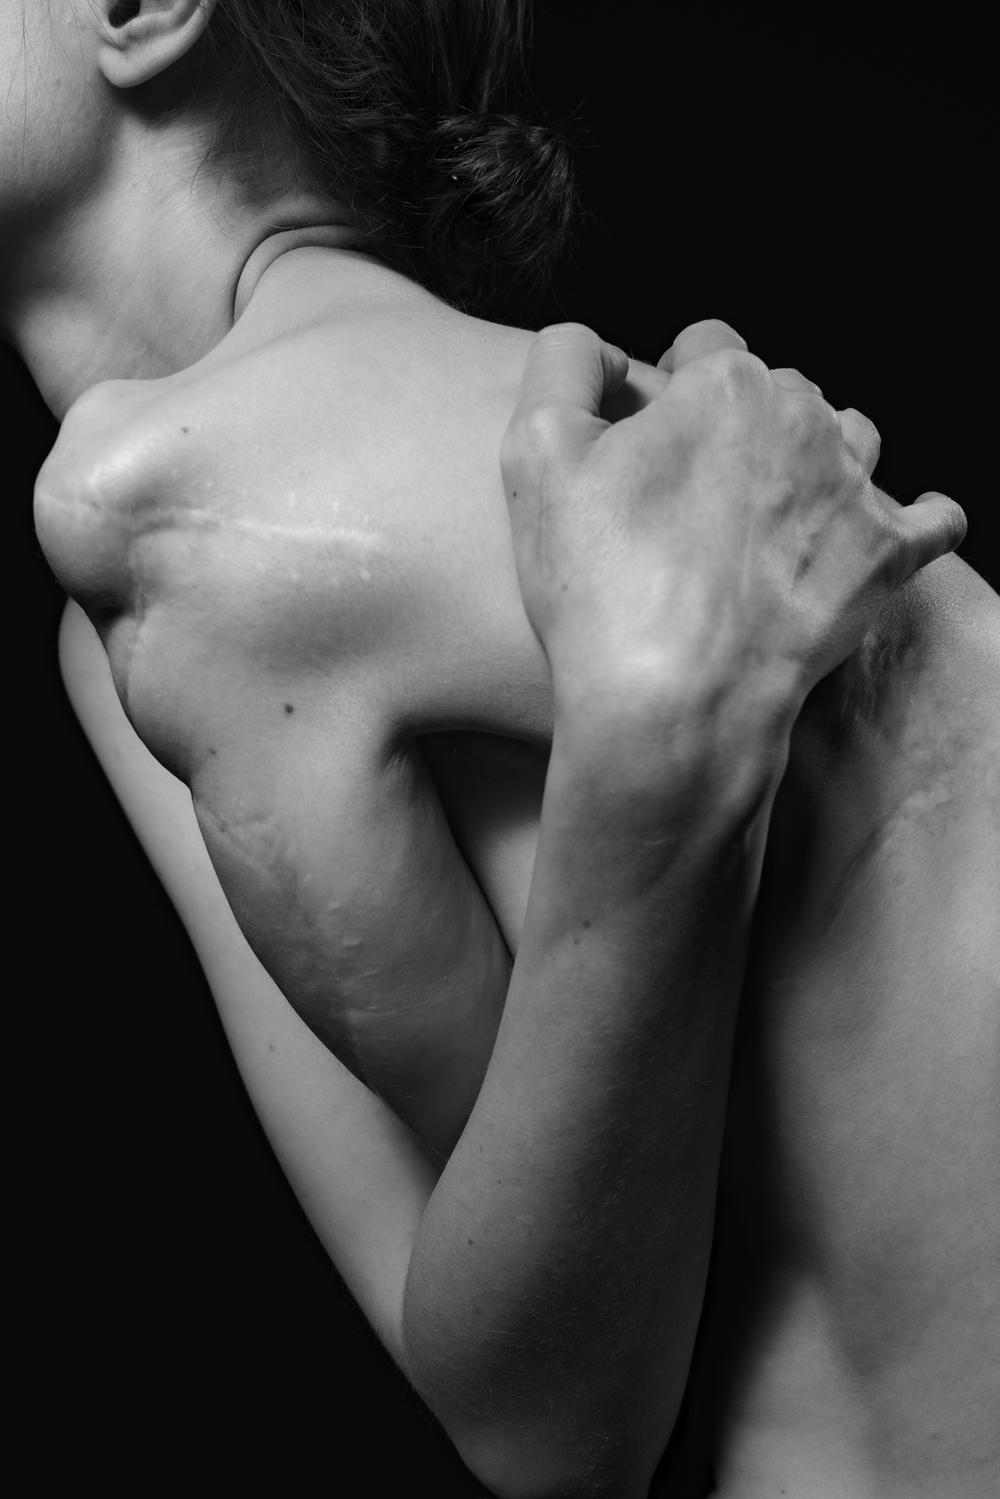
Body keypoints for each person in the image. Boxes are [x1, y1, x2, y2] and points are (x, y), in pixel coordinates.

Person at [5, 3, 997, 1496]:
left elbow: (557, 1441)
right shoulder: (149, 607)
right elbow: (514, 1370)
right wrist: (658, 766)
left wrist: (665, 765)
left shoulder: (179, 492)